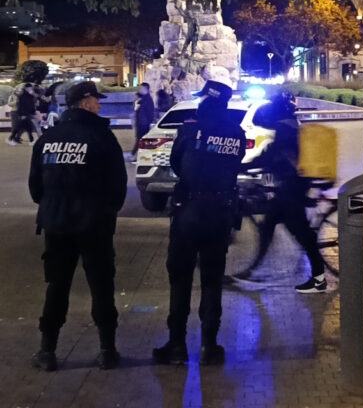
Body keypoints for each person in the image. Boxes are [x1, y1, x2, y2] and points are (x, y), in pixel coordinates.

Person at [28, 81, 127, 371]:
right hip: (94, 225)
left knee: (57, 287)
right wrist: (105, 212)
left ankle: (47, 351)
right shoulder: (102, 137)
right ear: (85, 102)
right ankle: (107, 350)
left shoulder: (48, 139)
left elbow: (36, 189)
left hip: (57, 226)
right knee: (101, 287)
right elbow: (118, 188)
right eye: (96, 100)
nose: (99, 105)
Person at [152, 78, 245, 366]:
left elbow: (176, 164)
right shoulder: (237, 133)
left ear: (207, 100)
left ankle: (177, 345)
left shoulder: (190, 129)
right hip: (220, 212)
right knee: (212, 280)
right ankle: (209, 346)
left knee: (180, 279)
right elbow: (235, 162)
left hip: (188, 211)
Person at [232, 91, 327, 293]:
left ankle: (319, 279)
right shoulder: (290, 125)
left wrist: (243, 168)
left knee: (301, 233)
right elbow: (271, 155)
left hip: (292, 188)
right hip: (292, 185)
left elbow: (271, 157)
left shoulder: (285, 129)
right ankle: (253, 270)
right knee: (268, 225)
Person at [129, 83, 155, 160]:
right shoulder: (142, 99)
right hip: (141, 123)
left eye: (142, 88)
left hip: (144, 124)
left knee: (141, 140)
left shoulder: (148, 100)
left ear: (146, 89)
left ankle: (134, 155)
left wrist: (149, 123)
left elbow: (150, 113)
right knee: (141, 140)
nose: (140, 90)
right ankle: (136, 155)